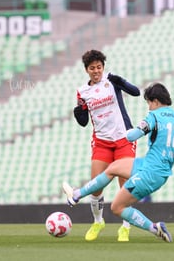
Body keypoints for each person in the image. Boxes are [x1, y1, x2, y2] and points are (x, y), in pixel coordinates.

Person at [63, 83, 174, 242]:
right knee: (113, 168)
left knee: (117, 207)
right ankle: (77, 195)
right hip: (151, 167)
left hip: (149, 174)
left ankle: (155, 228)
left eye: (149, 103)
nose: (149, 107)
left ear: (155, 101)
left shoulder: (154, 116)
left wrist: (128, 129)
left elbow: (132, 137)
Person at [73, 49, 140, 242]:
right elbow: (84, 120)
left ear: (103, 66)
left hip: (123, 139)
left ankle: (125, 227)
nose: (96, 71)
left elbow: (136, 92)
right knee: (96, 186)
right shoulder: (82, 91)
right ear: (86, 70)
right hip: (101, 142)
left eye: (99, 67)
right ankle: (98, 222)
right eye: (92, 68)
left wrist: (122, 81)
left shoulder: (111, 81)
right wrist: (79, 113)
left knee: (125, 186)